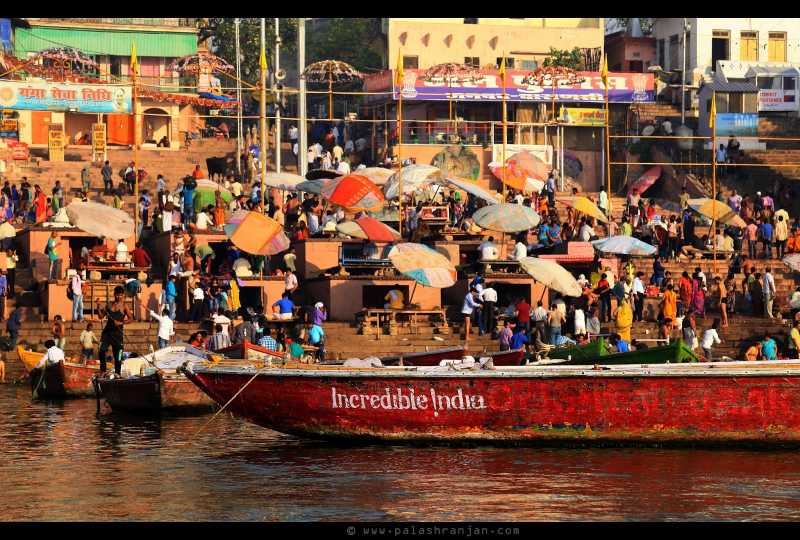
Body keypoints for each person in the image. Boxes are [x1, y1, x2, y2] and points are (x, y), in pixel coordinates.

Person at [98, 286, 132, 375]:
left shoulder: (125, 306)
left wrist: (120, 323)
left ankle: (117, 373)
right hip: (107, 333)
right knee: (101, 350)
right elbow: (101, 316)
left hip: (118, 335)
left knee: (118, 355)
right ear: (114, 295)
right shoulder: (109, 305)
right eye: (117, 295)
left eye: (120, 295)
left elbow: (131, 319)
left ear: (123, 295)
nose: (119, 297)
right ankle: (103, 371)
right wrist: (98, 307)